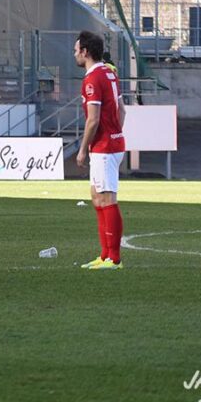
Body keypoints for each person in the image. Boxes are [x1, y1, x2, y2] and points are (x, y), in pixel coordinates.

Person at [73, 30, 126, 270]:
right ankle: (104, 256)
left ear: (85, 52)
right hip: (112, 143)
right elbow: (121, 110)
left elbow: (92, 120)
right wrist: (116, 132)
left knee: (106, 198)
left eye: (76, 50)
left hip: (104, 147)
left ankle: (113, 259)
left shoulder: (92, 79)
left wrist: (83, 149)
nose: (75, 54)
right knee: (97, 197)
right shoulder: (110, 73)